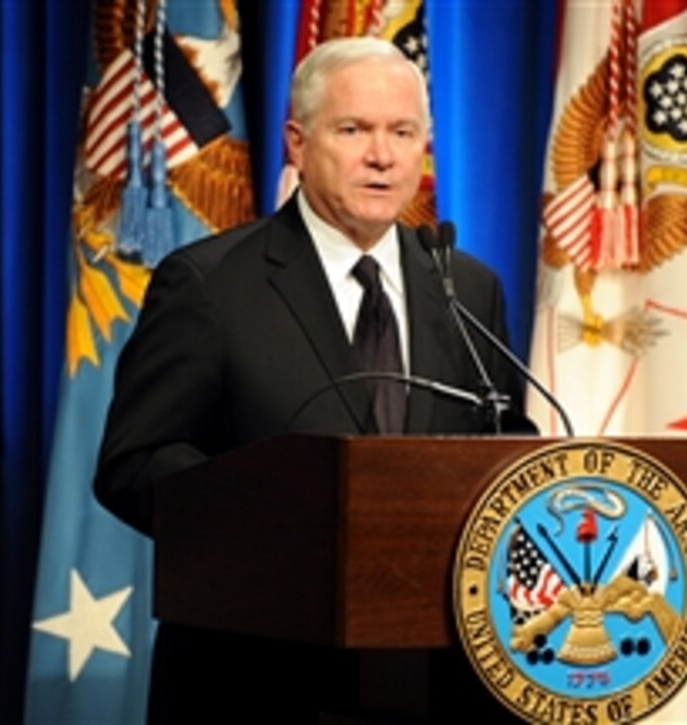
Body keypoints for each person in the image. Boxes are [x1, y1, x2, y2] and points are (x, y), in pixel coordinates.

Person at [95, 36, 522, 722]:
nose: (381, 155)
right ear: (297, 141)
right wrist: (282, 529)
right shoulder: (209, 285)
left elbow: (505, 450)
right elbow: (135, 462)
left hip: (435, 683)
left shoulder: (467, 288)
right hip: (257, 679)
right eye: (354, 130)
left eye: (402, 132)